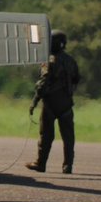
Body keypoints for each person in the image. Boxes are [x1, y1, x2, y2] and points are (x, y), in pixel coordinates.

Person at [27, 31, 80, 174]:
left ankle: (41, 163)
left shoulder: (48, 60)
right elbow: (76, 79)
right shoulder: (71, 60)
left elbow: (42, 84)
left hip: (50, 103)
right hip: (66, 104)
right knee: (68, 137)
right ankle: (67, 165)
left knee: (46, 136)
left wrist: (35, 101)